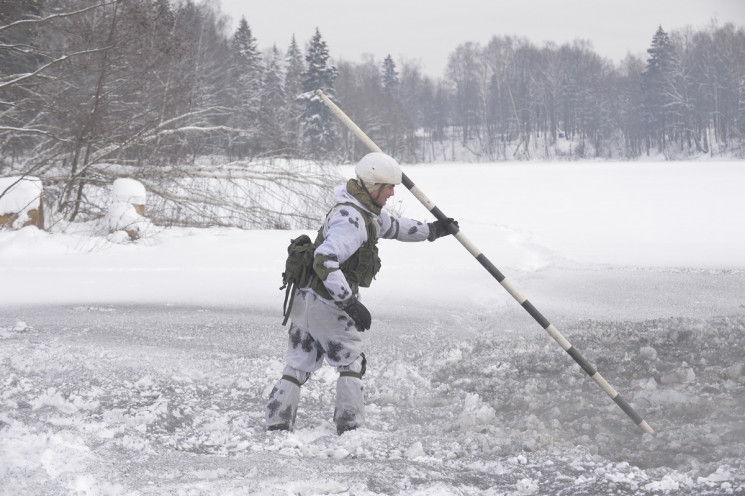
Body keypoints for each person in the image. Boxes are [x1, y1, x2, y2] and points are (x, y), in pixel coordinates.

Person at [265, 152, 457, 435]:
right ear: (372, 186)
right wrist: (350, 303)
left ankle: (278, 421)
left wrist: (432, 230)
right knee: (351, 360)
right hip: (327, 302)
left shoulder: (363, 212)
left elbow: (394, 227)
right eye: (388, 187)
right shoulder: (351, 220)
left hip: (305, 298)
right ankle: (350, 425)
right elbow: (324, 259)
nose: (392, 193)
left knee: (299, 360)